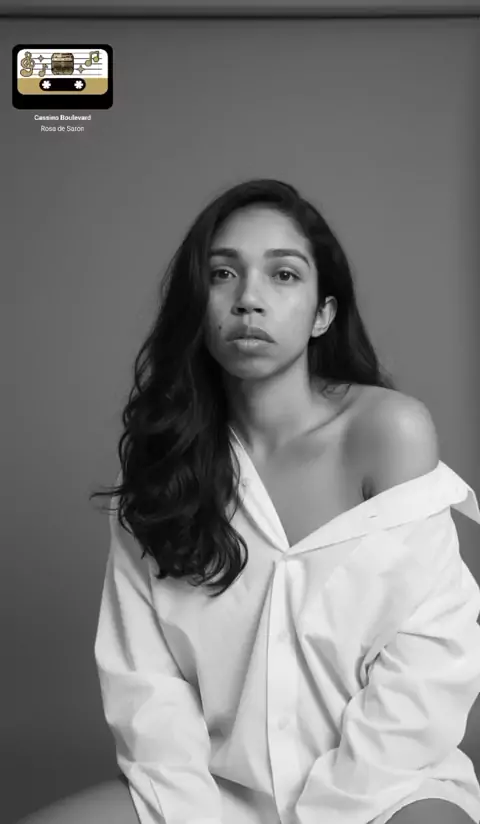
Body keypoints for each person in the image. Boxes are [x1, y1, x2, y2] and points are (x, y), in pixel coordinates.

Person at [17, 179, 480, 824]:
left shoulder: (388, 434)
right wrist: (191, 811)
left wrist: (335, 811)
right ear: (198, 305)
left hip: (382, 786)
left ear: (322, 314)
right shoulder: (164, 466)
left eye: (283, 274)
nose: (248, 299)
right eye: (222, 274)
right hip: (217, 795)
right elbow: (146, 680)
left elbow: (430, 650)